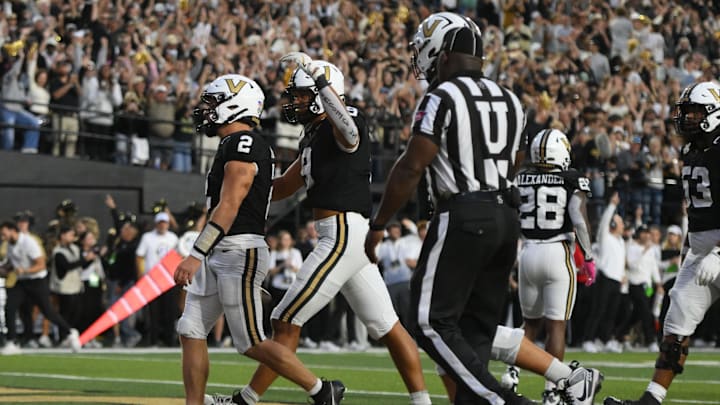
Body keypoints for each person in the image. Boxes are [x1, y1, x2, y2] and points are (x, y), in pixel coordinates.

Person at [365, 15, 601, 404]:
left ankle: (503, 400)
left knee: (428, 322)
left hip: (463, 212)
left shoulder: (441, 96)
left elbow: (412, 165)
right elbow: (516, 161)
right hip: (507, 218)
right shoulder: (511, 99)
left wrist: (379, 222)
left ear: (440, 52)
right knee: (475, 332)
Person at [232, 55, 430, 405]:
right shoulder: (313, 137)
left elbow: (350, 134)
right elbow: (281, 187)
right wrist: (239, 186)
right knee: (387, 326)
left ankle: (248, 400)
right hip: (347, 236)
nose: (295, 101)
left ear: (324, 94)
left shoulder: (346, 118)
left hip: (340, 233)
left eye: (303, 94)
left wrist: (320, 81)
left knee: (284, 319)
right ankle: (422, 402)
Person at [171, 74, 344, 405]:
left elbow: (230, 205)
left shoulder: (243, 143)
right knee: (190, 328)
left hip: (239, 250)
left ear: (233, 106)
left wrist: (195, 253)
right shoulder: (231, 144)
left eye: (212, 103)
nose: (205, 110)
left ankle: (322, 390)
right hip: (220, 248)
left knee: (249, 341)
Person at [604, 82, 720, 404]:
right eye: (686, 112)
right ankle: (651, 399)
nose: (687, 118)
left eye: (695, 112)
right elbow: (697, 210)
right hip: (701, 248)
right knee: (676, 322)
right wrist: (688, 247)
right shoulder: (691, 150)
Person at [513, 129, 599, 401]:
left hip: (527, 253)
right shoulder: (571, 178)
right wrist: (587, 255)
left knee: (529, 324)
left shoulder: (520, 178)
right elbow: (577, 216)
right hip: (557, 252)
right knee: (556, 326)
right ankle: (552, 390)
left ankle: (511, 375)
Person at [0, 221, 81, 355]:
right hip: (22, 281)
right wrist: (4, 269)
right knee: (11, 307)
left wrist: (25, 270)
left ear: (12, 230)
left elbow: (41, 264)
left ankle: (70, 332)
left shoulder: (28, 242)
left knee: (47, 311)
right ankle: (12, 341)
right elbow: (12, 262)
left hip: (37, 280)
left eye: (4, 233)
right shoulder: (9, 244)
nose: (3, 237)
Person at [136, 211, 178, 346]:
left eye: (164, 222)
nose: (162, 225)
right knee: (153, 312)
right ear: (156, 223)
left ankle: (169, 340)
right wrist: (141, 276)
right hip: (152, 280)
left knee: (170, 311)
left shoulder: (173, 238)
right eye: (160, 223)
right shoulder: (147, 237)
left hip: (169, 279)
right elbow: (139, 256)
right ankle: (153, 340)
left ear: (168, 224)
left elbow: (179, 256)